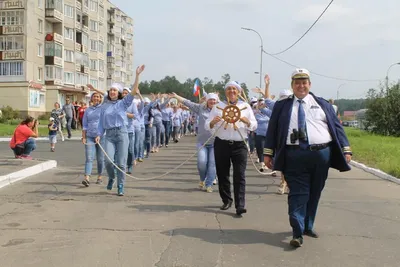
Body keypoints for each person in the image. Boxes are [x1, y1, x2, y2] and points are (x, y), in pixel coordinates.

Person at [264, 68, 352, 248]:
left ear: (309, 84)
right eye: (297, 83)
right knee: (297, 193)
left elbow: (337, 127)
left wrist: (346, 149)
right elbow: (272, 130)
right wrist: (268, 153)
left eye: (304, 82)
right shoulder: (282, 106)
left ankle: (307, 226)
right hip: (294, 155)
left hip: (321, 155)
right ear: (292, 85)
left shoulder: (322, 104)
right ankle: (297, 231)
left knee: (315, 191)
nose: (301, 86)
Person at [205, 81, 257, 216]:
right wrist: (212, 122)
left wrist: (248, 122)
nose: (232, 91)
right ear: (225, 92)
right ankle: (226, 200)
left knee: (240, 175)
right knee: (223, 174)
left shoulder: (245, 106)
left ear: (238, 92)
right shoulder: (217, 106)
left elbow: (254, 125)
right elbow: (207, 125)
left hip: (240, 145)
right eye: (229, 89)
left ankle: (240, 205)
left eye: (234, 89)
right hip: (221, 143)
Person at [96, 64, 145, 196]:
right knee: (108, 161)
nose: (112, 92)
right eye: (110, 90)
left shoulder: (123, 103)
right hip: (110, 135)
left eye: (115, 90)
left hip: (122, 134)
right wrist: (99, 134)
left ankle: (121, 185)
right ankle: (111, 177)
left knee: (121, 163)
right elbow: (101, 123)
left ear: (118, 93)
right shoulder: (104, 106)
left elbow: (134, 91)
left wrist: (137, 75)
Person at [170, 92, 219, 192]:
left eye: (214, 100)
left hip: (216, 143)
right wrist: (176, 96)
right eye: (210, 99)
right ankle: (202, 179)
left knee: (212, 164)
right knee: (201, 163)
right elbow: (188, 103)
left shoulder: (220, 110)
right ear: (207, 100)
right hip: (202, 142)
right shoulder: (201, 108)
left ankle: (208, 184)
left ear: (217, 101)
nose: (212, 102)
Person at [82, 89, 105, 186]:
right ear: (92, 98)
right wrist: (83, 137)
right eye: (94, 96)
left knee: (100, 159)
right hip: (90, 136)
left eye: (98, 97)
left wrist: (99, 135)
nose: (96, 98)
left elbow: (104, 123)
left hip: (101, 136)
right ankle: (87, 177)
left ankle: (100, 176)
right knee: (89, 158)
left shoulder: (103, 109)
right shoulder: (88, 110)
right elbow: (85, 124)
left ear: (100, 99)